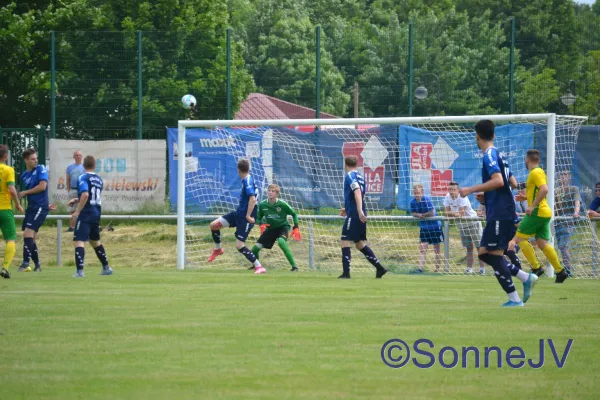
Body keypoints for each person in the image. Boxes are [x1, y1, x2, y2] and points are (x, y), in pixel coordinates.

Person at [460, 120, 537, 307]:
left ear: (477, 136)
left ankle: (516, 296)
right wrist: (487, 196)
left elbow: (499, 181)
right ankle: (524, 278)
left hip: (500, 212)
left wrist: (471, 189)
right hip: (502, 209)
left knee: (488, 253)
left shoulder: (489, 156)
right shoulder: (499, 155)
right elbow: (512, 182)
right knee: (487, 253)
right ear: (494, 135)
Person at [508, 150, 570, 283]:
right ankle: (560, 271)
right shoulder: (537, 172)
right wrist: (525, 197)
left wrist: (532, 206)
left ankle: (536, 268)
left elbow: (544, 189)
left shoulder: (536, 172)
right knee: (542, 243)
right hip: (543, 213)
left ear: (527, 159)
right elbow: (539, 191)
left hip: (537, 212)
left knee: (518, 239)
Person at [207, 158, 266, 274]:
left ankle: (259, 267)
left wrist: (248, 216)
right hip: (239, 213)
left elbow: (253, 199)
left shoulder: (248, 181)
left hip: (245, 216)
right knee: (214, 226)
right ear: (249, 169)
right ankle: (218, 249)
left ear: (238, 170)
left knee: (239, 245)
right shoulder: (247, 180)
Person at [339, 155, 388, 279]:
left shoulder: (350, 176)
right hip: (357, 211)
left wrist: (358, 211)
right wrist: (349, 208)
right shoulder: (360, 176)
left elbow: (357, 192)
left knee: (345, 240)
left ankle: (346, 273)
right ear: (357, 164)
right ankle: (380, 268)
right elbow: (359, 194)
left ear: (345, 165)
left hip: (356, 213)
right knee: (359, 243)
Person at [68, 155, 113, 277]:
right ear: (94, 166)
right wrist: (77, 199)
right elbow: (92, 196)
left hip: (86, 213)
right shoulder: (99, 179)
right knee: (94, 241)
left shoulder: (83, 177)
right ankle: (106, 267)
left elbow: (86, 195)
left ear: (83, 166)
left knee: (79, 240)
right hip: (96, 213)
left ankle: (80, 272)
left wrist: (77, 211)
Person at [250, 184, 301, 271]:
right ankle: (256, 266)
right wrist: (261, 224)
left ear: (277, 194)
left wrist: (296, 227)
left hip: (282, 227)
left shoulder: (282, 204)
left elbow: (294, 214)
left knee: (281, 242)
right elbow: (258, 217)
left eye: (272, 191)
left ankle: (294, 267)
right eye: (269, 190)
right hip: (270, 229)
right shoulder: (263, 205)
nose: (270, 192)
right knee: (255, 249)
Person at [17, 148, 51, 272]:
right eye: (32, 159)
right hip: (32, 208)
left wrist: (25, 192)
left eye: (36, 158)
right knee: (31, 237)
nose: (35, 161)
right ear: (26, 160)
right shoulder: (24, 175)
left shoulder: (41, 169)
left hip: (40, 206)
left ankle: (26, 263)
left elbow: (42, 187)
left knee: (27, 233)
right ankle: (37, 265)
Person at [443, 181, 485, 274]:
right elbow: (445, 213)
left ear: (458, 190)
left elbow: (461, 213)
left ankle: (482, 269)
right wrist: (454, 213)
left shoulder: (462, 196)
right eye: (450, 189)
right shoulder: (447, 197)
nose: (451, 191)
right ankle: (469, 269)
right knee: (469, 247)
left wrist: (453, 213)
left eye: (454, 189)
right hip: (462, 225)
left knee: (479, 246)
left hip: (473, 222)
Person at [0, 145, 24, 279]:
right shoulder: (8, 169)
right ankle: (5, 268)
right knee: (10, 240)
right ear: (5, 156)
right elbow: (12, 189)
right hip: (4, 209)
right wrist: (17, 203)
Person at [410, 184, 443, 273]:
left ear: (422, 192)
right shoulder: (412, 202)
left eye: (419, 193)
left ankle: (437, 269)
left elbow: (432, 213)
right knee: (422, 249)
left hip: (435, 227)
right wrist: (418, 215)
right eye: (415, 193)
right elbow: (413, 213)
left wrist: (423, 215)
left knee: (437, 250)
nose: (417, 195)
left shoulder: (426, 199)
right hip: (424, 228)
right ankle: (420, 269)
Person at [554, 170, 581, 272]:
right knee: (559, 246)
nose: (563, 177)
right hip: (557, 221)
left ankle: (567, 268)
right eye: (561, 175)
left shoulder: (574, 189)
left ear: (569, 176)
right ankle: (561, 268)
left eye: (565, 174)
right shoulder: (556, 190)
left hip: (568, 222)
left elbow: (577, 202)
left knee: (563, 245)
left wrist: (576, 213)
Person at [66, 150, 85, 232]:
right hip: (73, 190)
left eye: (79, 155)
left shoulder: (84, 167)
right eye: (76, 155)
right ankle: (72, 227)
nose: (78, 156)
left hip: (82, 191)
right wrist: (69, 189)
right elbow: (68, 179)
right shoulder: (69, 167)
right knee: (72, 210)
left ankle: (81, 226)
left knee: (82, 209)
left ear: (82, 157)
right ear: (74, 157)